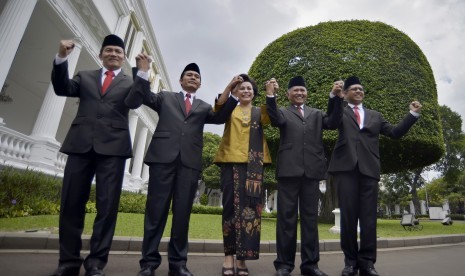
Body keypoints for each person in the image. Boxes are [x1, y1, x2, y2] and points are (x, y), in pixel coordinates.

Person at [125, 53, 239, 276]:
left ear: (200, 83)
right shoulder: (165, 97)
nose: (193, 78)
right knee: (155, 213)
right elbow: (143, 96)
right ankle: (148, 263)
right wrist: (142, 71)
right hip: (162, 161)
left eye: (197, 76)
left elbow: (220, 116)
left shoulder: (204, 106)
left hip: (189, 165)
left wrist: (232, 94)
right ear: (181, 80)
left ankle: (178, 264)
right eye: (189, 74)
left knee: (182, 215)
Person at [49, 34, 134, 276]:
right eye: (109, 50)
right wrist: (61, 58)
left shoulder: (130, 83)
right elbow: (62, 88)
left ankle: (96, 263)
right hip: (80, 145)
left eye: (118, 51)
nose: (113, 54)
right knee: (71, 204)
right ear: (101, 54)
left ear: (124, 57)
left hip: (114, 150)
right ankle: (68, 262)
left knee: (107, 208)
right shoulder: (85, 76)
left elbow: (138, 101)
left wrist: (143, 75)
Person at [328, 76, 422, 276]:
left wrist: (412, 114)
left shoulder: (375, 115)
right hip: (345, 170)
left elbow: (395, 133)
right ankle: (350, 263)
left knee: (369, 219)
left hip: (369, 170)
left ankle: (368, 262)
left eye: (361, 89)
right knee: (348, 218)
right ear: (345, 93)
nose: (359, 91)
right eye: (354, 88)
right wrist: (335, 98)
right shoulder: (341, 111)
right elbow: (331, 121)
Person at [266, 76, 344, 276]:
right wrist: (270, 95)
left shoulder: (316, 114)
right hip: (288, 172)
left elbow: (334, 122)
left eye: (302, 90)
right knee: (286, 220)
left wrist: (335, 98)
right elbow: (274, 120)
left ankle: (310, 265)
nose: (299, 93)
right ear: (288, 94)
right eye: (295, 90)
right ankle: (284, 265)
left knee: (310, 220)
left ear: (306, 93)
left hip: (312, 172)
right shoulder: (283, 111)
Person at [214, 74, 273, 276]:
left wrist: (271, 93)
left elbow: (273, 115)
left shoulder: (260, 111)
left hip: (254, 165)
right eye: (242, 88)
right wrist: (230, 84)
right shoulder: (230, 108)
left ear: (254, 93)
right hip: (230, 163)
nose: (246, 91)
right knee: (230, 209)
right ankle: (228, 257)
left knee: (251, 211)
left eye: (249, 89)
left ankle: (243, 259)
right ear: (236, 92)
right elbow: (218, 108)